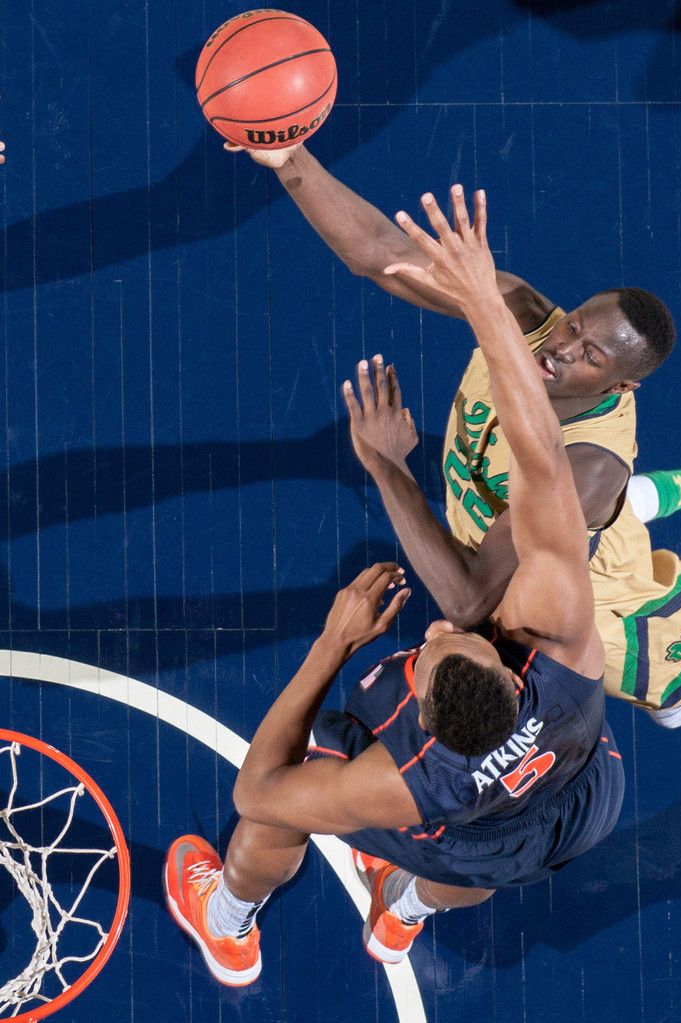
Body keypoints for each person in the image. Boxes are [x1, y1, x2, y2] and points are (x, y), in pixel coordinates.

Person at [164, 190, 625, 986]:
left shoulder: (404, 777)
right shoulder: (569, 644)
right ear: (516, 683)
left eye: (438, 646)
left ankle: (228, 923)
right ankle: (404, 910)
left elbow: (259, 789)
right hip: (575, 807)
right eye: (467, 647)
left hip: (463, 814)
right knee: (491, 860)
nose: (446, 630)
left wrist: (331, 645)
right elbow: (542, 461)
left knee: (282, 813)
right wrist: (486, 300)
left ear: (420, 721)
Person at [225, 140, 681, 537]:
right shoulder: (520, 313)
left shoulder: (588, 463)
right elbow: (379, 253)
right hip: (558, 505)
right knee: (606, 505)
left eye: (590, 355)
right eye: (574, 324)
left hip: (600, 599)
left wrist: (388, 468)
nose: (561, 346)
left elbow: (471, 600)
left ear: (624, 386)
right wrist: (287, 155)